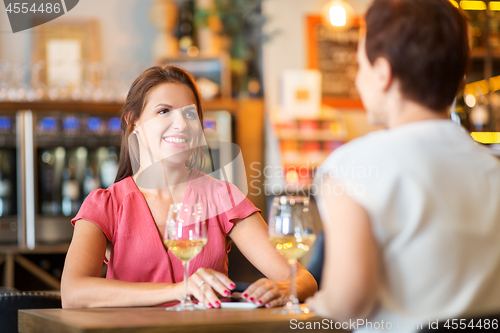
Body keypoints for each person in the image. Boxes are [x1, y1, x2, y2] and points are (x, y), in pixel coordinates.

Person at [306, 0, 500, 331]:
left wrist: (317, 302)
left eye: (360, 66)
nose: (357, 81)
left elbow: (349, 305)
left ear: (383, 74)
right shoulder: (492, 167)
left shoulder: (350, 168)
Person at [61, 66, 317, 309]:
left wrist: (285, 289)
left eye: (189, 114)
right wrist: (177, 291)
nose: (181, 124)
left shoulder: (223, 197)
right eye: (164, 111)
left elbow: (304, 279)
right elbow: (73, 294)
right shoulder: (105, 204)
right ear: (133, 122)